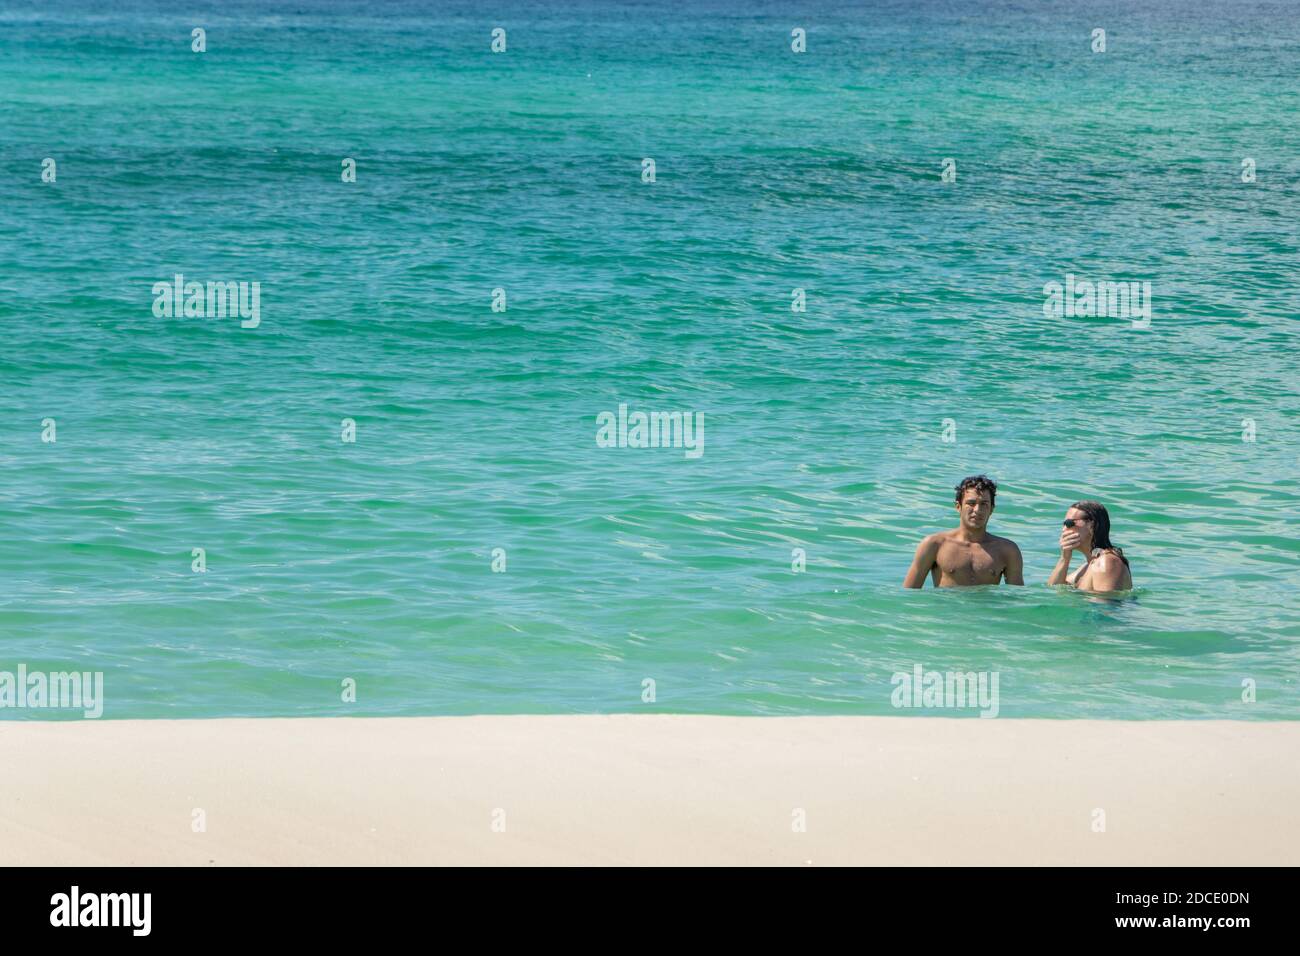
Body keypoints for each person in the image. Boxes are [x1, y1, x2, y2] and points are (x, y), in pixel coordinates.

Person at [903, 475, 1024, 587]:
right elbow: (908, 594)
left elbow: (1015, 599)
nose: (977, 510)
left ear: (991, 509)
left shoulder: (1007, 550)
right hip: (947, 609)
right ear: (958, 507)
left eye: (984, 504)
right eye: (971, 503)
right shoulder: (934, 545)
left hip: (986, 609)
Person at [1048, 500, 1132, 592]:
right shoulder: (1088, 566)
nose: (1064, 529)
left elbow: (1107, 604)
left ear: (1092, 525)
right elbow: (1055, 589)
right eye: (1063, 524)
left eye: (1069, 523)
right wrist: (1064, 558)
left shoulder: (1107, 562)